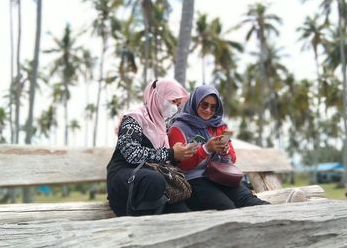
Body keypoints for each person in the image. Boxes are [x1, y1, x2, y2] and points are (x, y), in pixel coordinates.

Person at [168, 85, 273, 211]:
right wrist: (206, 149)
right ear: (195, 103)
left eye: (213, 107)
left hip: (220, 176)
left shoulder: (218, 126)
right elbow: (181, 165)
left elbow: (232, 159)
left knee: (250, 201)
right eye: (204, 105)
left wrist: (224, 152)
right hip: (194, 180)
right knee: (226, 208)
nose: (208, 110)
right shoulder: (179, 127)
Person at [106, 79, 196, 216]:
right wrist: (171, 153)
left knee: (182, 211)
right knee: (153, 180)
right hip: (125, 174)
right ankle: (140, 228)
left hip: (151, 180)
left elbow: (163, 159)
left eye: (178, 105)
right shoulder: (134, 118)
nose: (175, 108)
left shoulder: (162, 126)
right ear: (158, 96)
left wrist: (179, 154)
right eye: (173, 101)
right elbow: (132, 153)